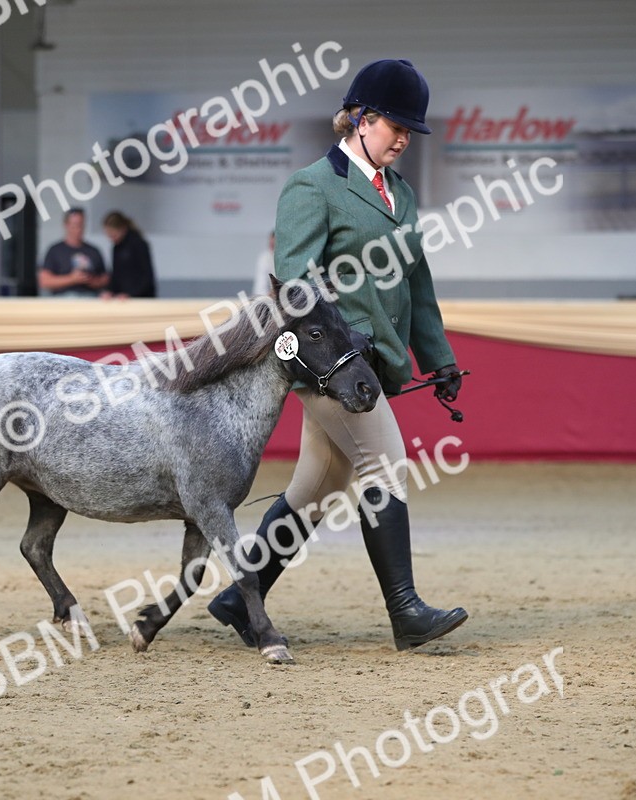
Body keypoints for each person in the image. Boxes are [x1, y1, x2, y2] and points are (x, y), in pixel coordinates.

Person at [207, 59, 469, 652]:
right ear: (359, 118)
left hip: (375, 365)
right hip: (330, 368)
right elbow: (296, 292)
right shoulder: (312, 186)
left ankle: (237, 599)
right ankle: (405, 612)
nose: (403, 139)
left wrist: (439, 359)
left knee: (316, 488)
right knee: (386, 463)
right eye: (394, 126)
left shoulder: (400, 194)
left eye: (410, 131)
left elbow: (417, 286)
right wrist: (337, 357)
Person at [38, 208, 109, 298]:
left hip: (90, 298)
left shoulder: (93, 251)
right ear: (66, 225)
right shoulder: (55, 250)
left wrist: (91, 280)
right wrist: (72, 279)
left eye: (81, 225)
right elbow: (44, 281)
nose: (78, 229)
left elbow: (105, 279)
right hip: (64, 299)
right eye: (75, 225)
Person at [100, 211, 157, 299]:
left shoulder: (139, 244)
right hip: (123, 298)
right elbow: (116, 274)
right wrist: (109, 291)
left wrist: (131, 294)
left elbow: (146, 276)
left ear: (123, 229)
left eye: (114, 235)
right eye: (109, 236)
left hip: (141, 298)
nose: (112, 239)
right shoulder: (116, 248)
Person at [251, 230, 276, 297]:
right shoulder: (264, 258)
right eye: (271, 243)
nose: (272, 244)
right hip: (265, 297)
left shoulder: (284, 259)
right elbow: (260, 284)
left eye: (274, 243)